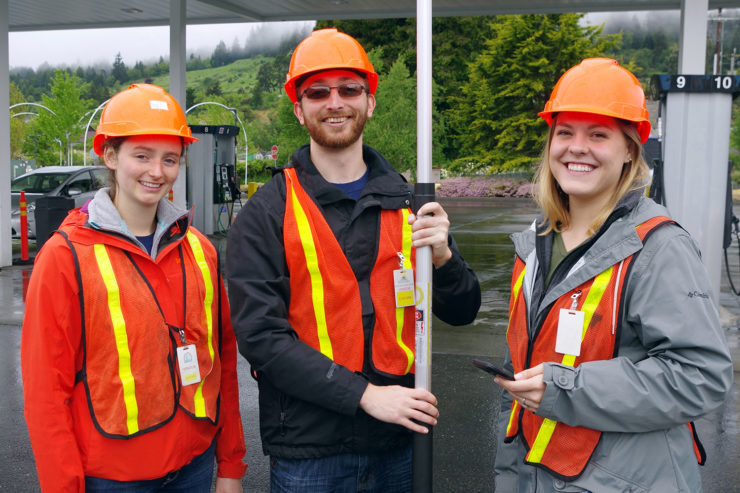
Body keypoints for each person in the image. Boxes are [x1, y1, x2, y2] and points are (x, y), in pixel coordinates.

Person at [226, 28, 480, 492]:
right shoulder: (267, 213)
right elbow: (261, 338)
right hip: (310, 456)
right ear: (299, 109)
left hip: (399, 445)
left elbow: (463, 312)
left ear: (370, 102)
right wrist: (364, 396)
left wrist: (444, 258)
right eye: (318, 92)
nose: (335, 102)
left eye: (349, 89)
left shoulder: (409, 202)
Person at [492, 58, 734, 492]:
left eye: (598, 135)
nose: (576, 147)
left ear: (629, 151)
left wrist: (565, 387)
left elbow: (701, 376)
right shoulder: (535, 242)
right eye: (565, 132)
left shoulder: (659, 247)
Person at [21, 83, 246, 493]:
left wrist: (230, 466)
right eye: (141, 156)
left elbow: (222, 361)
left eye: (170, 159)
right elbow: (45, 394)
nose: (156, 172)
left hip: (194, 469)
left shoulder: (200, 249)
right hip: (110, 480)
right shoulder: (64, 256)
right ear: (109, 155)